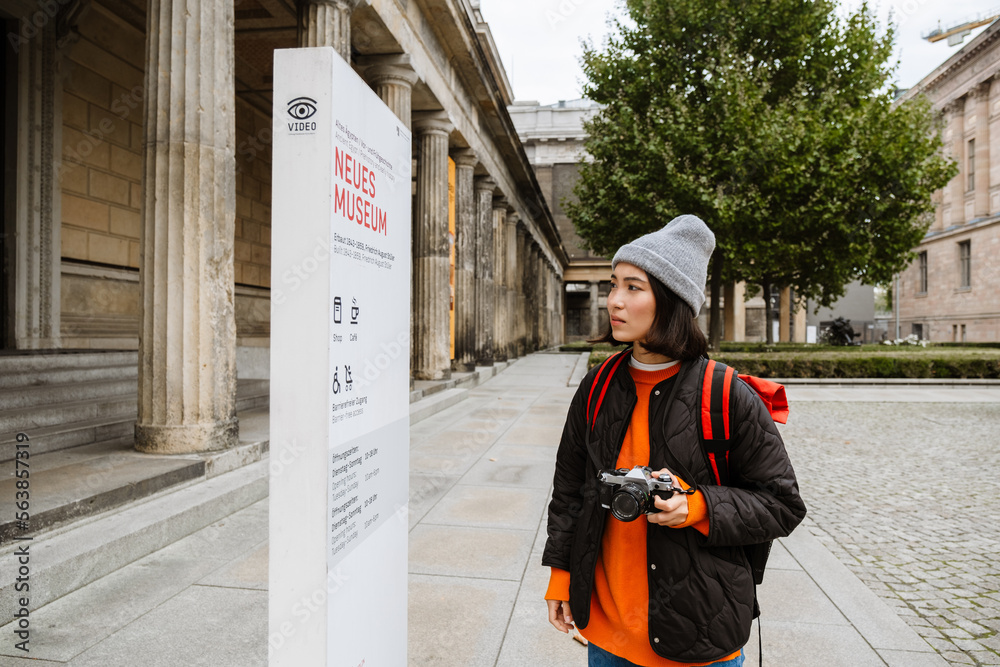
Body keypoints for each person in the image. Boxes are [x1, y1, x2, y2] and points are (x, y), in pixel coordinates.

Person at [543, 215, 807, 667]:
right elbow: (571, 491)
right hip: (606, 631)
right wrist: (561, 577)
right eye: (613, 285)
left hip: (700, 631)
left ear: (670, 300)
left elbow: (782, 504)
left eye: (633, 287)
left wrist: (697, 506)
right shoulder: (597, 386)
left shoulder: (726, 393)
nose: (614, 301)